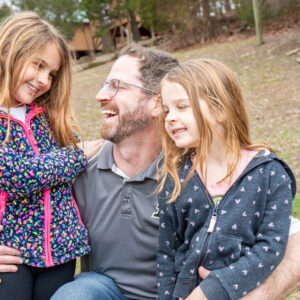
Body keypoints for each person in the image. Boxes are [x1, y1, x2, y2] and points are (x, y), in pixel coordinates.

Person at [1, 43, 300, 300]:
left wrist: (257, 293)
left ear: (157, 102)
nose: (100, 96)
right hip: (105, 291)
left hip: (183, 293)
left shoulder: (197, 172)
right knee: (78, 293)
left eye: (116, 85)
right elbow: (16, 193)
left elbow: (293, 239)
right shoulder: (80, 167)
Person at [156, 58, 296, 300]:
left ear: (220, 110)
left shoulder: (269, 173)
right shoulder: (176, 178)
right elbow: (167, 254)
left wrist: (213, 290)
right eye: (167, 110)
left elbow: (271, 248)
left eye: (181, 107)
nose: (169, 117)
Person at [0, 11, 102, 300]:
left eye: (52, 73)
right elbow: (15, 176)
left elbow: (89, 158)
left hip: (60, 251)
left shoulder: (50, 119)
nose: (44, 80)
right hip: (11, 256)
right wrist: (74, 156)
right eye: (38, 65)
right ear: (8, 50)